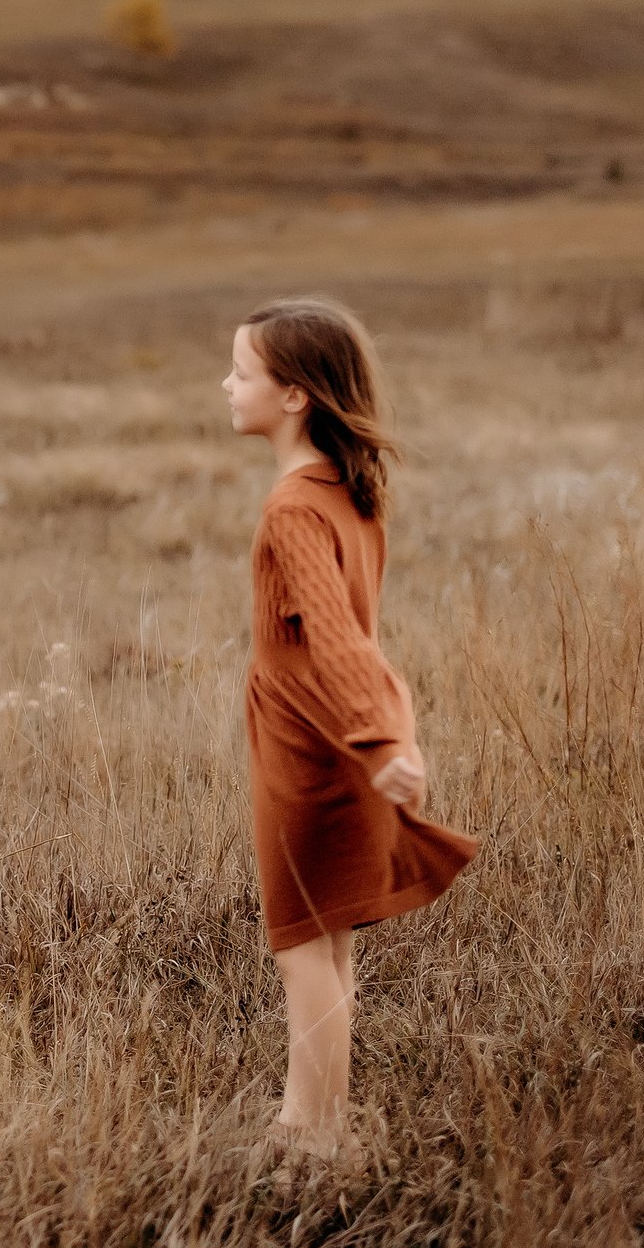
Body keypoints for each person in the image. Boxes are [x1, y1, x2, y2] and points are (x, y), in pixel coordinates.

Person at [222, 296, 478, 1154]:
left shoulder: (295, 509)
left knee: (302, 947)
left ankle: (311, 1135)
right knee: (329, 947)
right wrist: (390, 736)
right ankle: (316, 1121)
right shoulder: (349, 491)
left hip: (311, 747)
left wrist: (381, 739)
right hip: (344, 740)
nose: (227, 384)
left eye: (242, 371)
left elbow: (334, 635)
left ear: (295, 396)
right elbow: (362, 642)